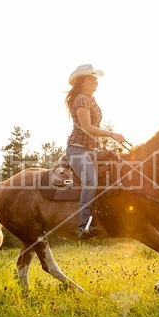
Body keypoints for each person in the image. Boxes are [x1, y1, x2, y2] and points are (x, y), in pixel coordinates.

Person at [64, 64, 126, 239]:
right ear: (82, 81)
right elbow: (87, 128)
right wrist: (112, 134)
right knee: (91, 180)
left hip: (92, 149)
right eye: (92, 79)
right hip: (77, 150)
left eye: (96, 79)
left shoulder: (91, 100)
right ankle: (84, 225)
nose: (96, 82)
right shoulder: (81, 99)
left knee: (119, 167)